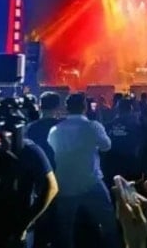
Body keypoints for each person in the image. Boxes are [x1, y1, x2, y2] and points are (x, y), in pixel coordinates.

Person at [47, 93, 120, 248]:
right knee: (108, 222)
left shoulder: (55, 130)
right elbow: (106, 146)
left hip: (64, 185)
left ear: (67, 108)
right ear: (84, 107)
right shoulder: (92, 126)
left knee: (65, 230)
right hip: (90, 182)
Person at [24, 91, 62, 168]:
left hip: (37, 168)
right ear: (58, 107)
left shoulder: (30, 128)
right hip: (59, 167)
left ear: (39, 106)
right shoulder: (62, 126)